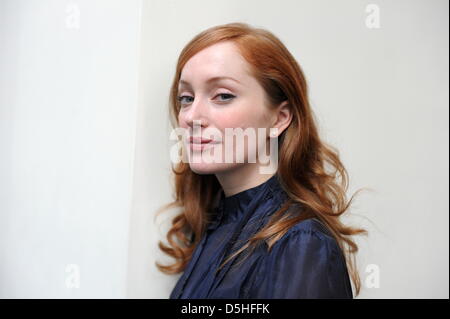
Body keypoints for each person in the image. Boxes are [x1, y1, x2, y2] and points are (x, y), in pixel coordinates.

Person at [156, 22, 367, 299]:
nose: (191, 117)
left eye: (222, 96)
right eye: (186, 98)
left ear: (279, 118)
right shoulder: (210, 228)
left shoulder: (301, 244)